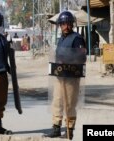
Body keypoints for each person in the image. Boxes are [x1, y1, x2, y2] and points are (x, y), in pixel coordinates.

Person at [46, 11, 86, 140]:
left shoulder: (77, 38)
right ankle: (56, 128)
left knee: (69, 104)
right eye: (63, 24)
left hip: (71, 77)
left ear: (72, 24)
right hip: (59, 75)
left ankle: (69, 130)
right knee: (57, 101)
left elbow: (81, 57)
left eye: (68, 23)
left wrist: (68, 61)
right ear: (60, 25)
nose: (66, 26)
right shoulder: (61, 39)